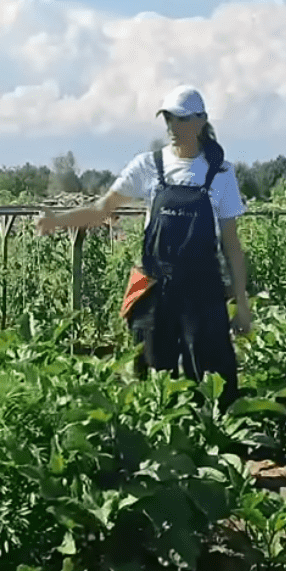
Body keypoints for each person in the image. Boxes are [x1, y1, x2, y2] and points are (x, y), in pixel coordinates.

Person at [36, 85, 252, 409]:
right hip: (156, 291)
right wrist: (57, 220)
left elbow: (231, 244)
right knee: (154, 379)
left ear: (201, 121)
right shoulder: (148, 165)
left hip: (203, 291)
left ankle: (212, 434)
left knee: (212, 381)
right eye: (168, 119)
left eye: (181, 119)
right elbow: (102, 210)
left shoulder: (220, 172)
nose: (173, 127)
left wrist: (242, 305)